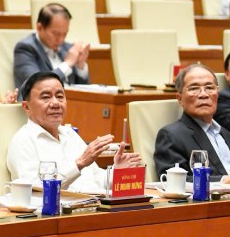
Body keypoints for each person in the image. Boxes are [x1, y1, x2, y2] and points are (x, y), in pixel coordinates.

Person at [8, 72, 142, 192]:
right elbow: (34, 191)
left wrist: (117, 172)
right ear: (26, 107)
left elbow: (98, 181)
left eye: (60, 96)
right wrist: (79, 163)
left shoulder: (70, 134)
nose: (55, 103)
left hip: (95, 207)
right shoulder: (23, 141)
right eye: (46, 97)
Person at [154, 64, 230, 184]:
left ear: (217, 94)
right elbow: (171, 180)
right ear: (180, 98)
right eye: (194, 88)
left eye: (209, 87)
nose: (204, 94)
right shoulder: (170, 135)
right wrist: (222, 180)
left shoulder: (226, 134)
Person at [13, 3, 90, 94]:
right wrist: (67, 64)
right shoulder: (25, 49)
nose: (61, 40)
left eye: (65, 34)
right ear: (39, 27)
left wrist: (80, 67)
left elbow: (85, 92)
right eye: (56, 34)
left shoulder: (67, 48)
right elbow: (36, 85)